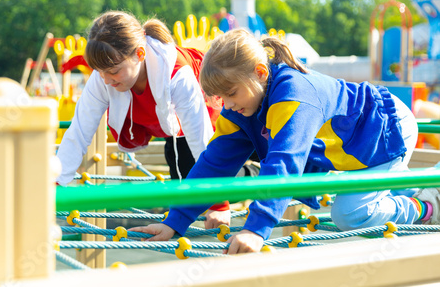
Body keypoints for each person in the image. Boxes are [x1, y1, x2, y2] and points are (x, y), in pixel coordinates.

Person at [129, 28, 440, 254]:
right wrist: (175, 220)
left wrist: (256, 228)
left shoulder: (293, 95)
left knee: (350, 213)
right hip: (354, 152)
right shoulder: (242, 107)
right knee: (364, 195)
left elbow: (284, 162)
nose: (227, 103)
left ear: (260, 72)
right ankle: (423, 183)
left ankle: (425, 206)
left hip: (384, 132)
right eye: (221, 97)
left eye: (231, 93)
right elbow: (213, 162)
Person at [56, 11, 253, 218]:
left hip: (219, 110)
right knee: (186, 189)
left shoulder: (176, 73)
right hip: (173, 128)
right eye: (100, 71)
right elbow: (79, 130)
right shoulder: (104, 76)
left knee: (221, 165)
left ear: (140, 54)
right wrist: (57, 181)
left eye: (113, 71)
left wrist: (219, 203)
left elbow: (200, 138)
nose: (105, 79)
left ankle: (259, 176)